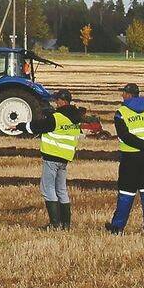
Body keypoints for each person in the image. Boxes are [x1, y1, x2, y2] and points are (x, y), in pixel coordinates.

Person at [106, 82, 144, 232]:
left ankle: (117, 227)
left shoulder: (121, 113)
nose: (122, 95)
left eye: (124, 93)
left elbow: (124, 136)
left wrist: (143, 146)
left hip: (129, 159)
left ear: (129, 95)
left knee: (126, 192)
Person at [38, 89, 90, 229]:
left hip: (52, 156)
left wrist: (20, 126)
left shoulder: (57, 117)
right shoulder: (75, 118)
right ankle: (66, 224)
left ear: (62, 101)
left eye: (57, 100)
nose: (55, 103)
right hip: (65, 158)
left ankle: (54, 224)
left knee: (47, 189)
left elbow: (39, 127)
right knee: (61, 189)